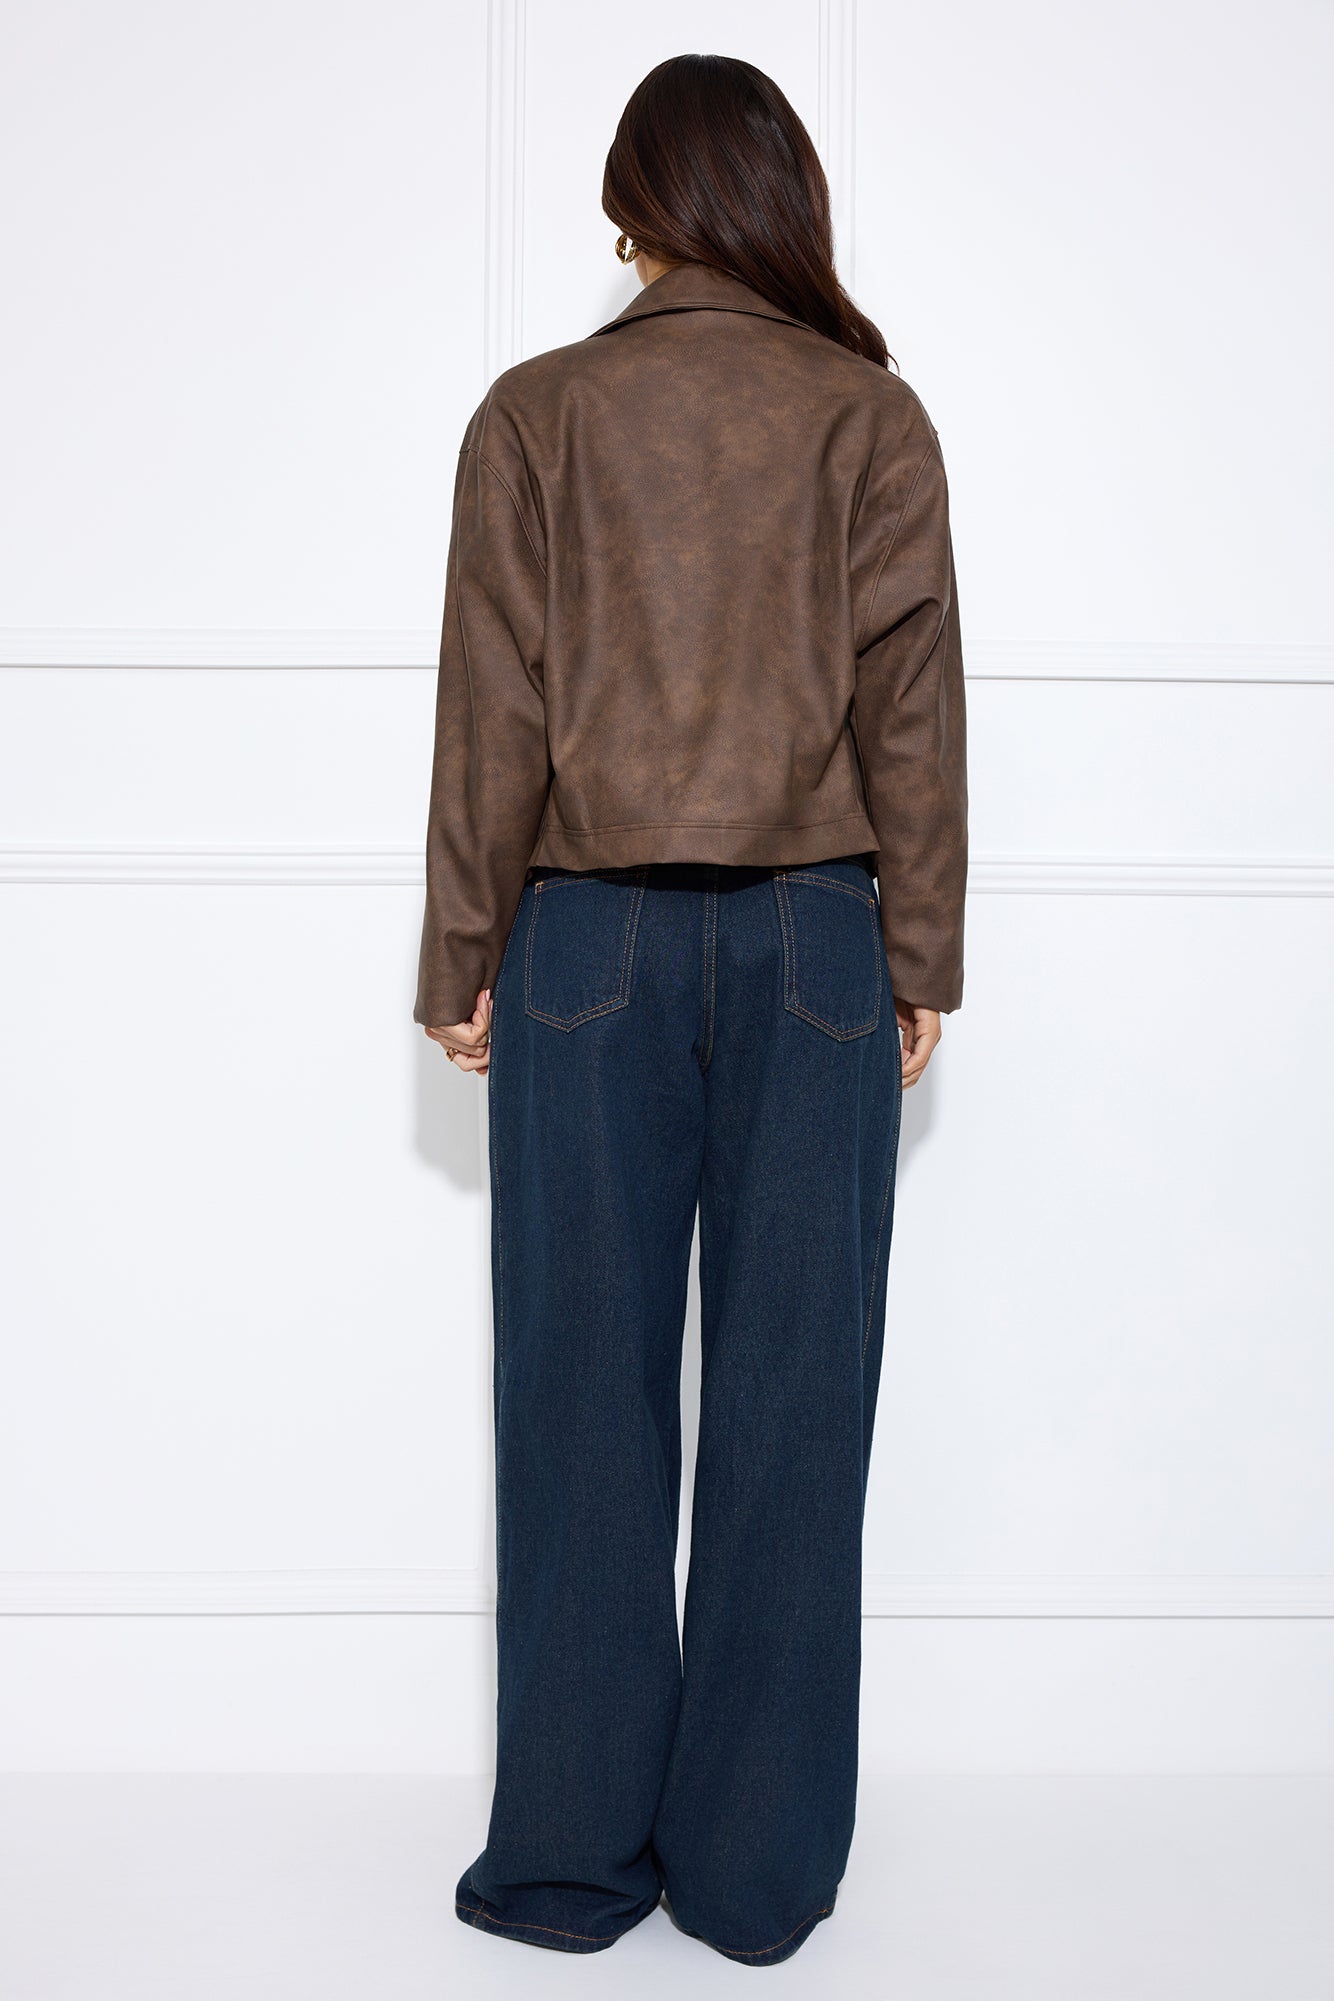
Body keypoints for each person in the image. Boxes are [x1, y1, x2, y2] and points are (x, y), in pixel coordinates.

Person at [413, 52, 967, 1969]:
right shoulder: (867, 415)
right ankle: (749, 1878)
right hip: (816, 941)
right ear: (780, 202)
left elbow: (492, 702)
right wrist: (918, 954)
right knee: (795, 1408)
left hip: (583, 947)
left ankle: (570, 1862)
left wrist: (460, 954)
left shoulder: (537, 415)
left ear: (631, 213)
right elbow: (910, 710)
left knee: (578, 1395)